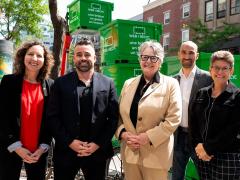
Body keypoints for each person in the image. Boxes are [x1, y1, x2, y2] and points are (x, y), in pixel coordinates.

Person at [47, 38, 119, 180]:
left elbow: (113, 118)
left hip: (97, 154)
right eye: (79, 55)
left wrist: (97, 144)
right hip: (66, 152)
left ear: (94, 57)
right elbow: (52, 117)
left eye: (87, 54)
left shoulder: (108, 83)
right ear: (74, 58)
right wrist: (70, 142)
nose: (83, 58)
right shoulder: (60, 83)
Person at [116, 40, 182, 180]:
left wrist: (147, 137)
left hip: (156, 156)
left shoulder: (171, 84)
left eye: (154, 58)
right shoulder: (128, 84)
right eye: (144, 57)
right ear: (140, 59)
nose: (148, 61)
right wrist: (123, 134)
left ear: (160, 61)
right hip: (130, 154)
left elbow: (174, 119)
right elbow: (118, 115)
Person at [0, 40, 54, 180]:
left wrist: (43, 147)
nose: (35, 59)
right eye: (31, 54)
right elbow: (2, 117)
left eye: (39, 55)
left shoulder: (50, 85)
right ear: (23, 57)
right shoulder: (9, 82)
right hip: (11, 148)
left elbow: (51, 120)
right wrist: (17, 147)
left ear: (45, 60)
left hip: (38, 151)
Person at [189, 50, 240, 179]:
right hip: (202, 155)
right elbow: (193, 123)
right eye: (216, 68)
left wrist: (208, 148)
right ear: (210, 69)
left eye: (224, 68)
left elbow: (233, 129)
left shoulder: (239, 96)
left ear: (231, 71)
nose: (220, 72)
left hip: (227, 155)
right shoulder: (201, 94)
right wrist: (198, 146)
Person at [172, 41, 212, 180]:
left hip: (199, 139)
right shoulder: (172, 80)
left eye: (191, 53)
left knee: (205, 175)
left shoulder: (208, 78)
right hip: (178, 137)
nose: (187, 56)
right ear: (178, 55)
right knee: (176, 176)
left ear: (197, 55)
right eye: (184, 52)